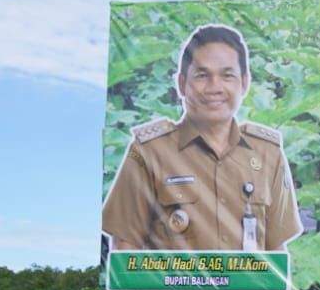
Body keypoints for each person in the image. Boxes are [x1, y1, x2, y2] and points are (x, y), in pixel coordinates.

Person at [102, 24, 302, 252]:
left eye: (227, 76)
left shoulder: (267, 154)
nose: (214, 87)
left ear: (244, 83)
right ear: (181, 84)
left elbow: (276, 252)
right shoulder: (148, 153)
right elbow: (125, 247)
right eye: (202, 75)